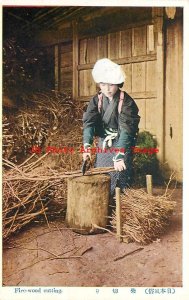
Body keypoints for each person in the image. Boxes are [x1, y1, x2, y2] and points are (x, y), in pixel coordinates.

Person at [82, 58, 140, 195]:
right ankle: (103, 204)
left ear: (118, 84)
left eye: (111, 85)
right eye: (103, 84)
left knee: (120, 173)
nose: (107, 89)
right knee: (102, 173)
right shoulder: (97, 100)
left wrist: (119, 155)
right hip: (105, 141)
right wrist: (86, 147)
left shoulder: (126, 102)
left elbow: (127, 129)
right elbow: (89, 123)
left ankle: (119, 207)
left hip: (122, 141)